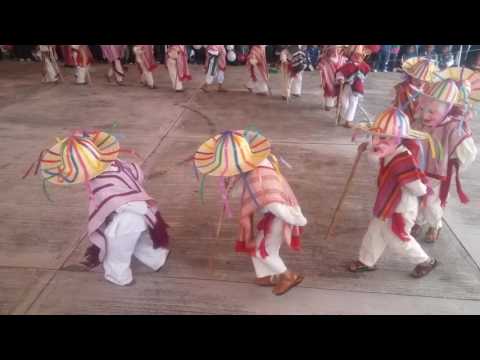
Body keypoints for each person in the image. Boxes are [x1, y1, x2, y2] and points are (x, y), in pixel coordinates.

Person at [27, 130, 170, 286]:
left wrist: (134, 208)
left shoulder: (101, 183)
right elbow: (137, 173)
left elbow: (118, 201)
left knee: (117, 248)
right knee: (138, 239)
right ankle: (155, 257)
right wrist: (147, 211)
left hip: (127, 219)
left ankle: (118, 275)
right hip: (143, 214)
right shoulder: (119, 164)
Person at [193, 130, 307, 296]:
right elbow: (243, 177)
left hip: (279, 218)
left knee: (262, 252)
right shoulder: (258, 163)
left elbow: (273, 201)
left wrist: (297, 219)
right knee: (258, 246)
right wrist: (230, 182)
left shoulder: (259, 179)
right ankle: (266, 276)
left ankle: (289, 276)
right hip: (275, 216)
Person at [349, 107, 438, 278]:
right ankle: (366, 261)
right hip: (386, 204)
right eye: (373, 136)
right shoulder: (391, 149)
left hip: (401, 209)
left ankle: (426, 261)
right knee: (374, 232)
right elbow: (380, 149)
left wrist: (414, 186)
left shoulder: (403, 161)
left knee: (398, 240)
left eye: (383, 138)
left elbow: (418, 188)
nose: (376, 142)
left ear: (398, 139)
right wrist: (367, 147)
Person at [412, 79, 478, 242]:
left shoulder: (453, 126)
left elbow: (469, 152)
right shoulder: (420, 121)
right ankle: (419, 221)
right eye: (423, 109)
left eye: (432, 112)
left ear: (448, 109)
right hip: (418, 167)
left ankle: (436, 225)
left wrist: (453, 165)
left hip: (437, 171)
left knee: (431, 201)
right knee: (417, 196)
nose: (426, 115)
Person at [392, 57, 438, 124]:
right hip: (401, 120)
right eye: (416, 78)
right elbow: (395, 105)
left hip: (418, 123)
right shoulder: (401, 87)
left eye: (423, 80)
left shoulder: (429, 91)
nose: (419, 81)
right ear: (411, 76)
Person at [336, 45, 371, 128]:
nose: (359, 57)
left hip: (357, 88)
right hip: (348, 86)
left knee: (353, 103)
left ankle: (349, 121)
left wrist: (360, 79)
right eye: (357, 55)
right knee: (344, 103)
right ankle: (342, 113)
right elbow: (340, 73)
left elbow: (365, 73)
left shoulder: (365, 66)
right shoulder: (348, 65)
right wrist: (341, 78)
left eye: (361, 56)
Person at [317, 45, 347, 110]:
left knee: (339, 91)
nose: (336, 51)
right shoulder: (324, 59)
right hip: (328, 79)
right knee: (329, 91)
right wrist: (322, 80)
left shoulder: (343, 59)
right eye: (334, 49)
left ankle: (336, 103)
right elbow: (321, 70)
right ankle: (329, 104)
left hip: (339, 79)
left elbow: (345, 68)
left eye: (338, 48)